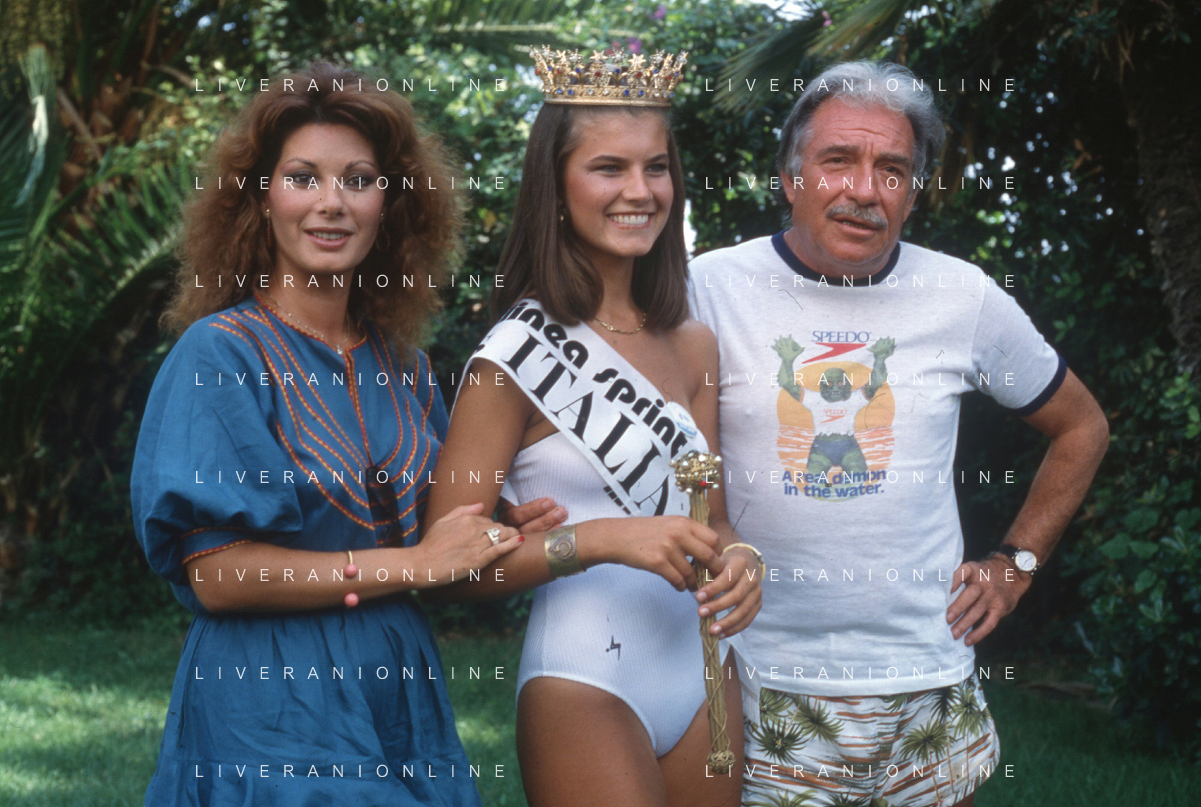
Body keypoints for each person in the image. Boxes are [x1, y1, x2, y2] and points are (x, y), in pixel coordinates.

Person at [688, 60, 1109, 807]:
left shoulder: (961, 295)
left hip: (928, 678)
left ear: (913, 194)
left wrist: (1014, 565)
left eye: (892, 170)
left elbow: (1081, 426)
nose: (864, 190)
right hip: (757, 677)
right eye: (837, 161)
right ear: (789, 178)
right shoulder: (707, 289)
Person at [130, 62, 527, 805]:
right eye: (302, 177)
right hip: (269, 694)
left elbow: (440, 552)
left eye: (359, 179)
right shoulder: (219, 355)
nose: (332, 203)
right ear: (261, 198)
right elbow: (219, 576)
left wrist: (501, 533)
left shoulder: (403, 366)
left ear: (390, 204)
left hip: (397, 689)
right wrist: (413, 564)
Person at [421, 46, 762, 807]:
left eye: (656, 168)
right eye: (609, 168)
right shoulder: (512, 358)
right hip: (585, 679)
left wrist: (741, 558)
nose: (639, 191)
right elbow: (447, 568)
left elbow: (713, 517)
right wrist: (602, 538)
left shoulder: (693, 344)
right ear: (556, 186)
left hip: (705, 669)